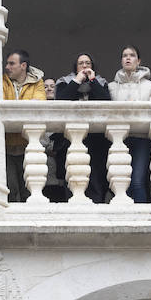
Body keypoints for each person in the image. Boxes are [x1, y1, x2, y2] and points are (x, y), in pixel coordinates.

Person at [54, 52, 113, 202]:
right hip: (71, 138)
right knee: (74, 175)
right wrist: (77, 81)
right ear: (76, 67)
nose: (85, 66)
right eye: (81, 63)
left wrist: (92, 80)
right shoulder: (64, 82)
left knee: (96, 176)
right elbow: (61, 100)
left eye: (88, 63)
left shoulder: (101, 83)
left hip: (96, 140)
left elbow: (106, 101)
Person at [108, 46, 151, 203]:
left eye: (132, 55)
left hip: (142, 139)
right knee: (119, 184)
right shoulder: (111, 87)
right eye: (125, 55)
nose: (128, 58)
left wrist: (136, 106)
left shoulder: (150, 86)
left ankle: (142, 220)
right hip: (118, 140)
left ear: (138, 61)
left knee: (137, 181)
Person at [0, 48, 46, 202]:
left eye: (12, 64)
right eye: (7, 63)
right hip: (5, 146)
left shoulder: (37, 82)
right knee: (10, 190)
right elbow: (0, 106)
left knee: (29, 191)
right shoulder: (1, 82)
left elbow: (39, 103)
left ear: (23, 66)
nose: (7, 67)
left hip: (28, 146)